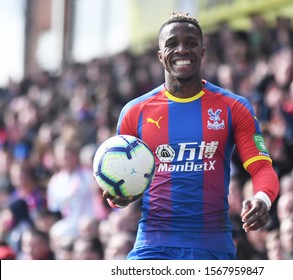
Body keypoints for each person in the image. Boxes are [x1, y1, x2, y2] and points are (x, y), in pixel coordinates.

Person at [103, 12, 280, 260]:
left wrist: (262, 199)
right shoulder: (134, 112)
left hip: (212, 245)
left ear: (203, 52)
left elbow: (262, 168)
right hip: (154, 245)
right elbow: (122, 180)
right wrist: (118, 198)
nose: (182, 50)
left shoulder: (234, 107)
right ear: (160, 56)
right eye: (172, 44)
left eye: (191, 43)